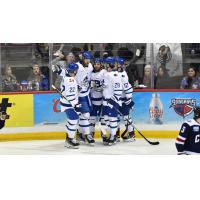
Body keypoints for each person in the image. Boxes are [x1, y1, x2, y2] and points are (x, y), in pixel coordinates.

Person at [101, 57, 123, 145]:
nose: (104, 65)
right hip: (105, 101)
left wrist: (112, 101)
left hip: (112, 102)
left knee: (112, 119)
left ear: (109, 64)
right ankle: (109, 135)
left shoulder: (115, 75)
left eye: (106, 63)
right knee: (105, 119)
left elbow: (118, 91)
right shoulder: (107, 74)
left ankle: (113, 137)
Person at [59, 63, 80, 149]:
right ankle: (70, 140)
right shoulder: (71, 80)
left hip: (66, 103)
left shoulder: (67, 78)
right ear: (74, 71)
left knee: (70, 121)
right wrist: (75, 105)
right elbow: (70, 95)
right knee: (74, 120)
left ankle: (68, 138)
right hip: (69, 104)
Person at [116, 57, 135, 142]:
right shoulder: (116, 73)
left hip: (122, 100)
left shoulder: (123, 75)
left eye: (119, 64)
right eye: (117, 64)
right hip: (117, 100)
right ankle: (116, 135)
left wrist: (128, 98)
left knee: (126, 118)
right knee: (115, 118)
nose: (117, 65)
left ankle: (131, 134)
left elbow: (128, 88)